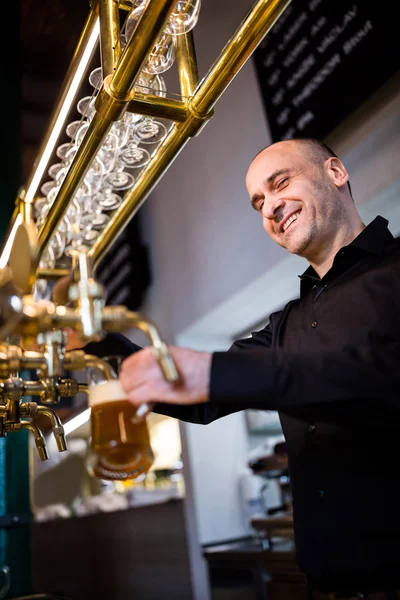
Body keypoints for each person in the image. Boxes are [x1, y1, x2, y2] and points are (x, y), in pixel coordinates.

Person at [84, 138, 400, 598]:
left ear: (335, 172)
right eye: (258, 202)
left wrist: (214, 372)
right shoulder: (287, 322)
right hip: (326, 586)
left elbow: (377, 375)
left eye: (280, 183)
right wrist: (94, 341)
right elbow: (202, 398)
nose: (270, 207)